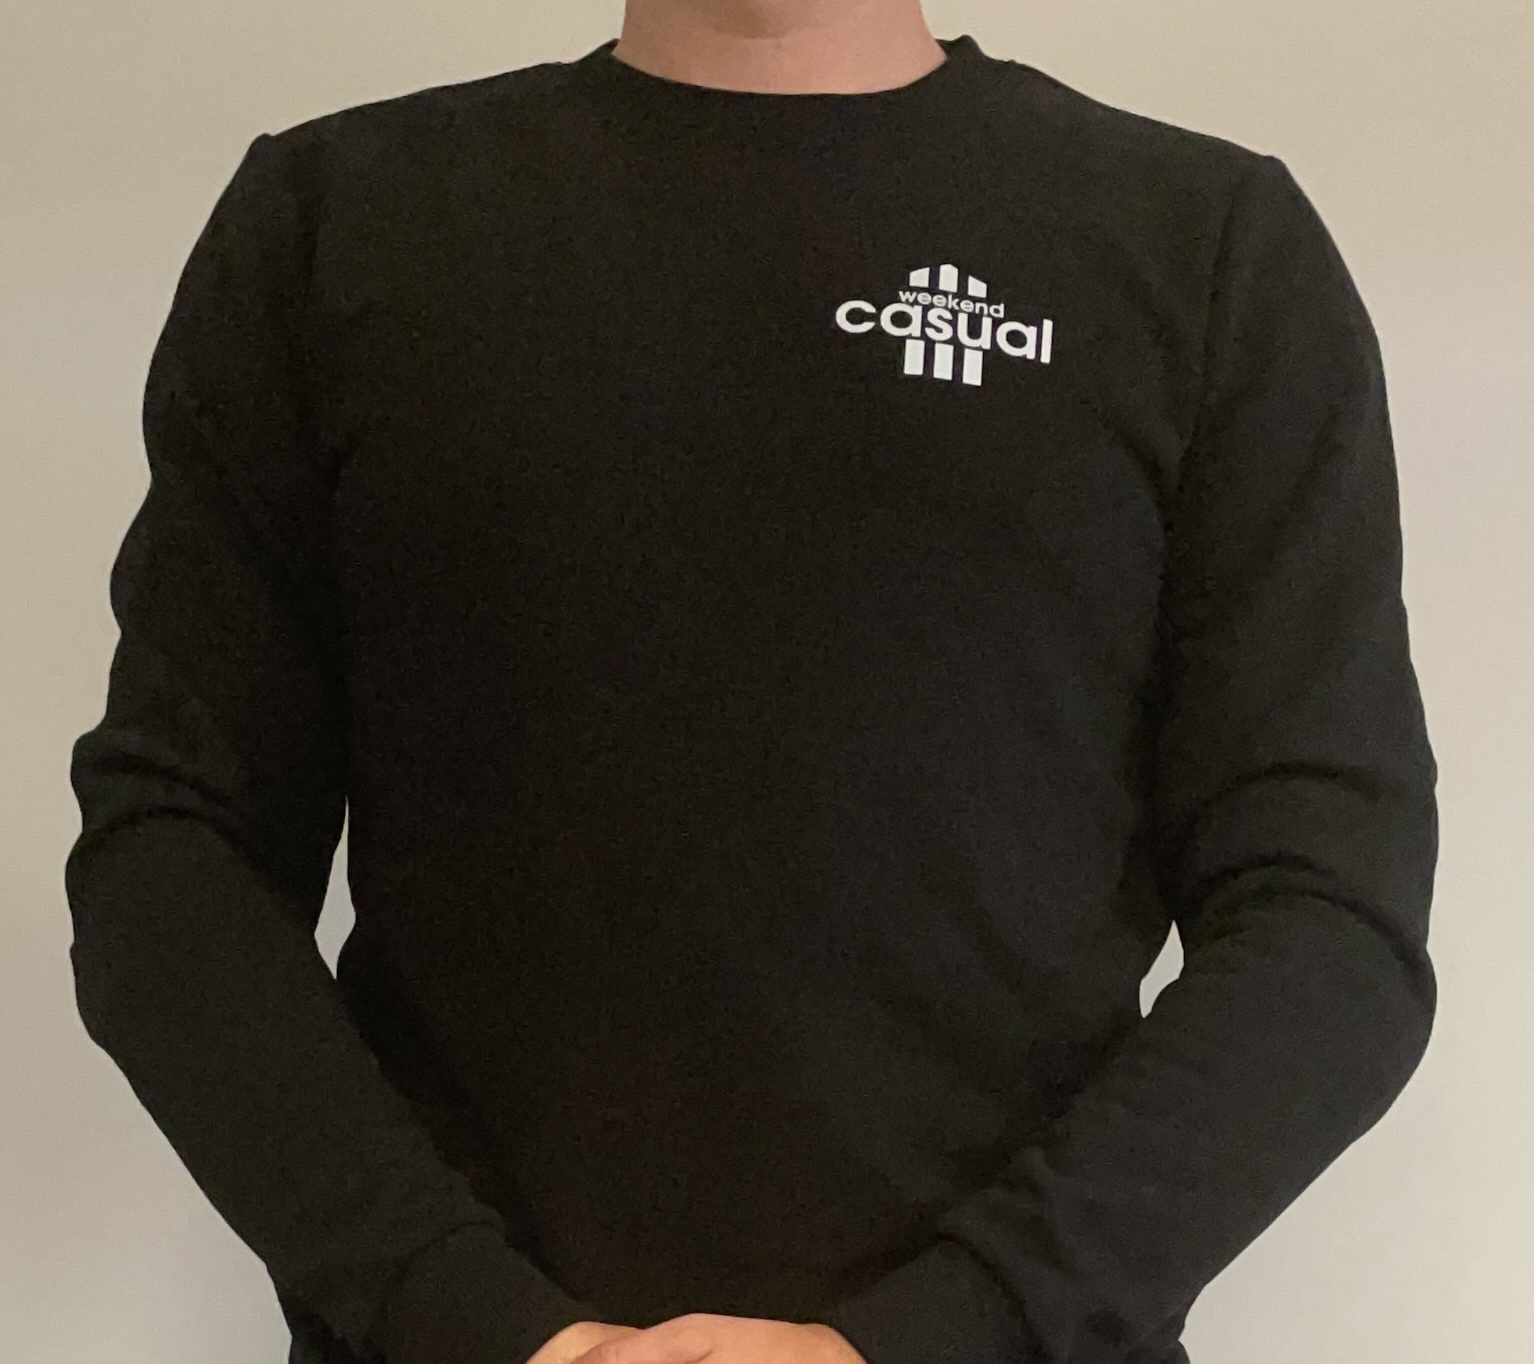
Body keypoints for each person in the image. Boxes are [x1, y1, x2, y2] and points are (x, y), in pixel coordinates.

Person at [63, 2, 1440, 1363]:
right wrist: (464, 1316)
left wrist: (948, 1329)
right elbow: (175, 848)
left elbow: (1327, 913)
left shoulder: (1205, 244)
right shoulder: (334, 219)